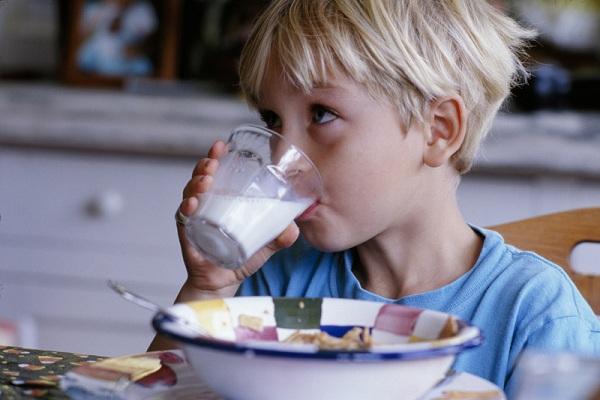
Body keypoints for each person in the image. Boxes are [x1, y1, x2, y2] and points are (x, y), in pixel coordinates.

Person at [149, 0, 600, 397]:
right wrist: (209, 288)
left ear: (438, 130)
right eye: (272, 119)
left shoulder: (533, 312)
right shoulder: (276, 284)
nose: (284, 155)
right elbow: (158, 394)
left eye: (322, 114)